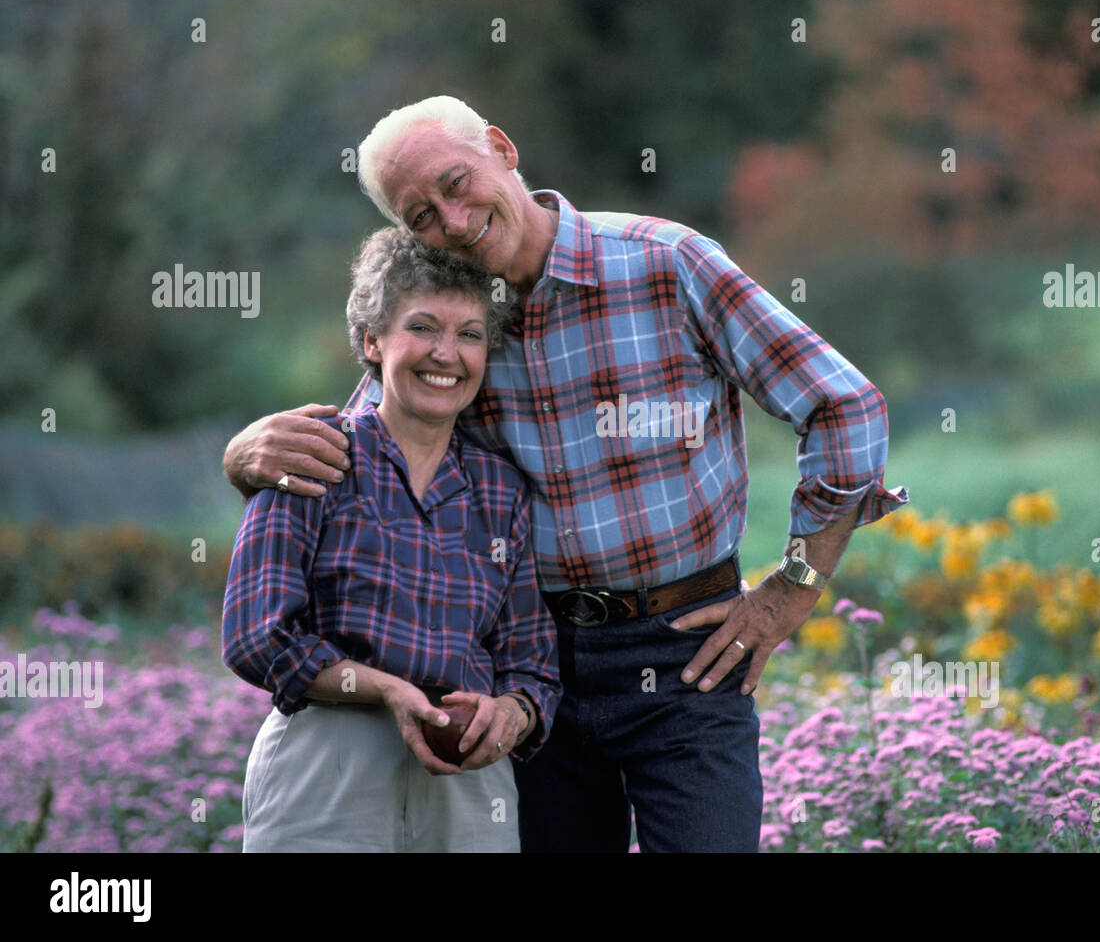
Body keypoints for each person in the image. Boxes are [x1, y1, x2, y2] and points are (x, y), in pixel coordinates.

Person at [223, 95, 908, 852]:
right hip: (532, 667)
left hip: (687, 654)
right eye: (419, 215)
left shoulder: (666, 262)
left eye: (456, 183)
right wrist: (242, 455)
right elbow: (367, 435)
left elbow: (844, 406)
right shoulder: (461, 329)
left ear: (501, 149)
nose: (450, 220)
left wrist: (791, 588)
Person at [222, 226, 560, 852]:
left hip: (466, 776)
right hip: (330, 764)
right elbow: (254, 637)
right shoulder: (313, 455)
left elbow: (531, 661)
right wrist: (384, 689)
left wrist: (512, 713)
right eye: (423, 327)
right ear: (374, 340)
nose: (446, 354)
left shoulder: (501, 489)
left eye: (470, 335)